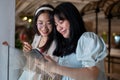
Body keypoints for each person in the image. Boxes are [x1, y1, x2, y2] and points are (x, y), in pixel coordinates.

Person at [36, 2, 108, 80]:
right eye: (56, 25)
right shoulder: (66, 45)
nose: (59, 28)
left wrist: (56, 67)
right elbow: (67, 75)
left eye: (61, 22)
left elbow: (92, 75)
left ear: (72, 19)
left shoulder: (88, 39)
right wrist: (48, 67)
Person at [19, 4, 60, 80]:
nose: (44, 28)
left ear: (54, 23)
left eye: (49, 23)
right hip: (29, 74)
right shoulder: (37, 37)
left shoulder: (57, 42)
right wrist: (27, 52)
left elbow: (56, 72)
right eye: (40, 23)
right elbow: (30, 60)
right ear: (36, 23)